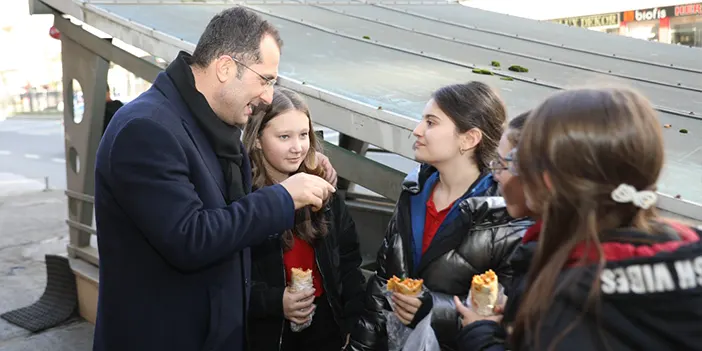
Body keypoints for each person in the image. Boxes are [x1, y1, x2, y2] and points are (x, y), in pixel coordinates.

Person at [93, 7, 338, 351]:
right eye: (265, 80)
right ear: (225, 68)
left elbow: (230, 220)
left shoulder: (208, 125)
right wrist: (284, 197)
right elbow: (189, 238)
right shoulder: (146, 129)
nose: (269, 97)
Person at [456, 87, 702, 350]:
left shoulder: (564, 302)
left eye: (514, 164)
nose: (502, 175)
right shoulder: (688, 252)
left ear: (547, 183)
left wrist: (480, 335)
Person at [348, 81, 528, 351]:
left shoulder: (505, 214)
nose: (417, 131)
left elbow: (505, 316)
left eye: (431, 122)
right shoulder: (414, 192)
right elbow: (383, 283)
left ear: (469, 139)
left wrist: (430, 308)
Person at [244, 87, 366, 351]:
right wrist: (276, 301)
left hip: (326, 324)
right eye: (284, 136)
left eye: (303, 135)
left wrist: (352, 323)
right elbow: (228, 279)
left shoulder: (324, 190)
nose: (297, 148)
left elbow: (348, 262)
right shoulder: (242, 199)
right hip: (267, 332)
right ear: (256, 139)